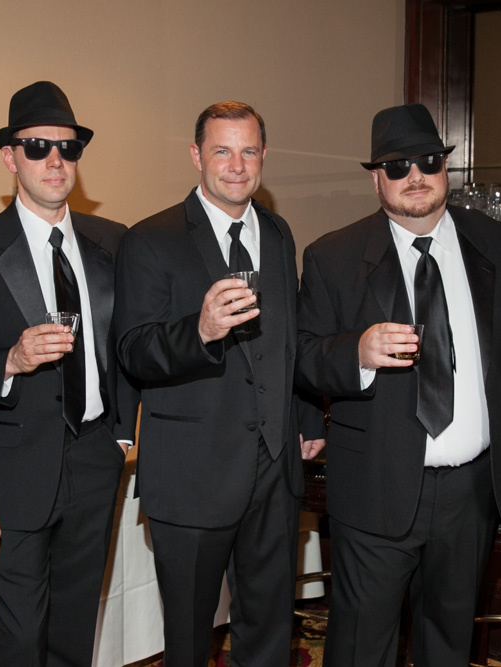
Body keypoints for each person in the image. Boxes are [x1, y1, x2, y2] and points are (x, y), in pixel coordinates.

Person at [295, 103, 501, 666]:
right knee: (360, 647)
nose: (414, 176)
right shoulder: (333, 256)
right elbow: (300, 358)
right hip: (375, 490)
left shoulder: (500, 245)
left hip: (472, 494)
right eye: (397, 166)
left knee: (448, 643)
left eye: (427, 161)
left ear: (447, 168)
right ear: (377, 178)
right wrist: (359, 353)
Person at [113, 101, 325, 666]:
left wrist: (304, 418)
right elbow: (132, 351)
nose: (236, 165)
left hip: (275, 468)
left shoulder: (277, 234)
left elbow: (288, 338)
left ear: (263, 158)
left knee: (268, 628)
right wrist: (199, 331)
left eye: (248, 151)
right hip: (191, 471)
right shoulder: (150, 239)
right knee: (187, 637)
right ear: (196, 156)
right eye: (222, 151)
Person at [0, 81, 138, 667]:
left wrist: (120, 429)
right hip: (12, 466)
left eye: (67, 148)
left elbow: (130, 341)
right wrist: (8, 360)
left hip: (93, 458)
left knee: (75, 625)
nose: (54, 160)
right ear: (10, 158)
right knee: (19, 634)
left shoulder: (113, 242)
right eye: (36, 147)